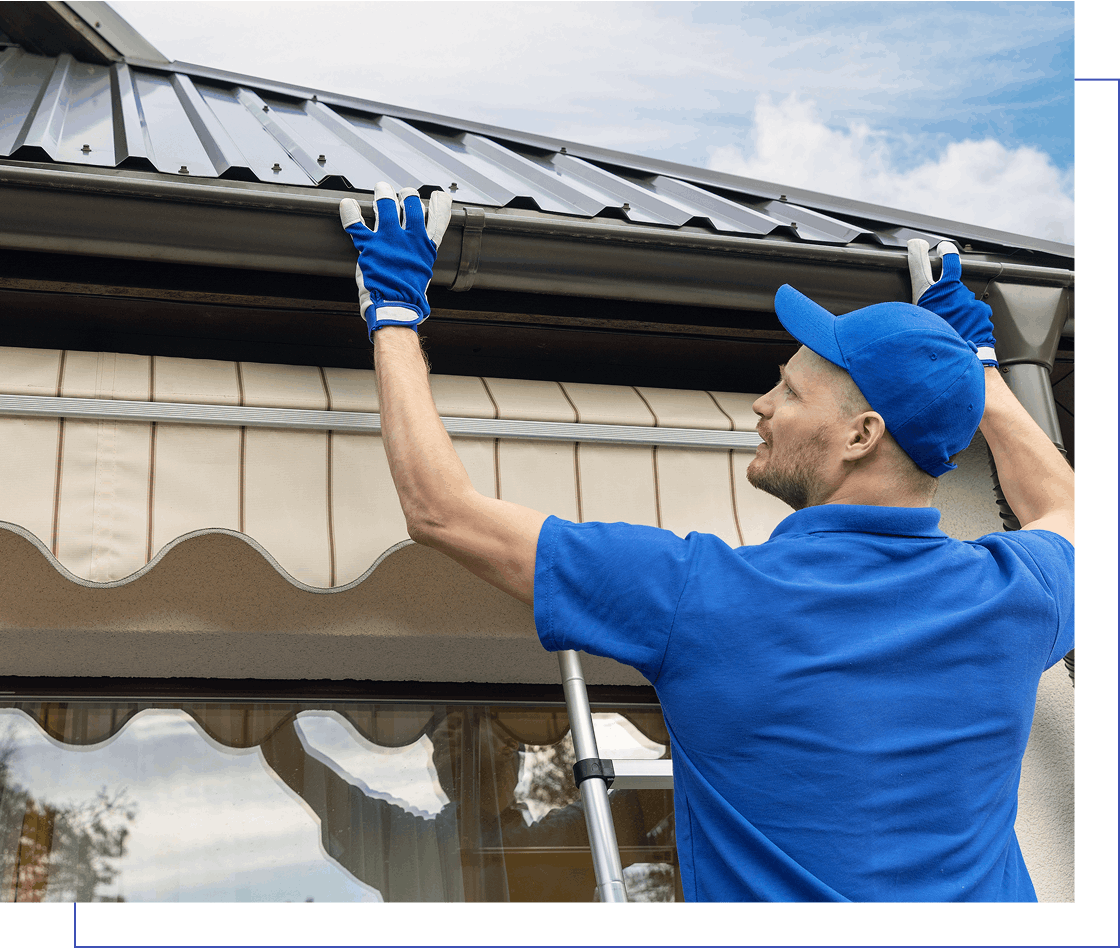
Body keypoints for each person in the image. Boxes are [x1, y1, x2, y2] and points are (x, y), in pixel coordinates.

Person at [338, 184, 1075, 902]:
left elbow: (441, 511)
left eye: (789, 391)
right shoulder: (1015, 596)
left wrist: (394, 312)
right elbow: (1063, 504)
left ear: (862, 435)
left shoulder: (704, 598)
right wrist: (975, 367)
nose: (762, 405)